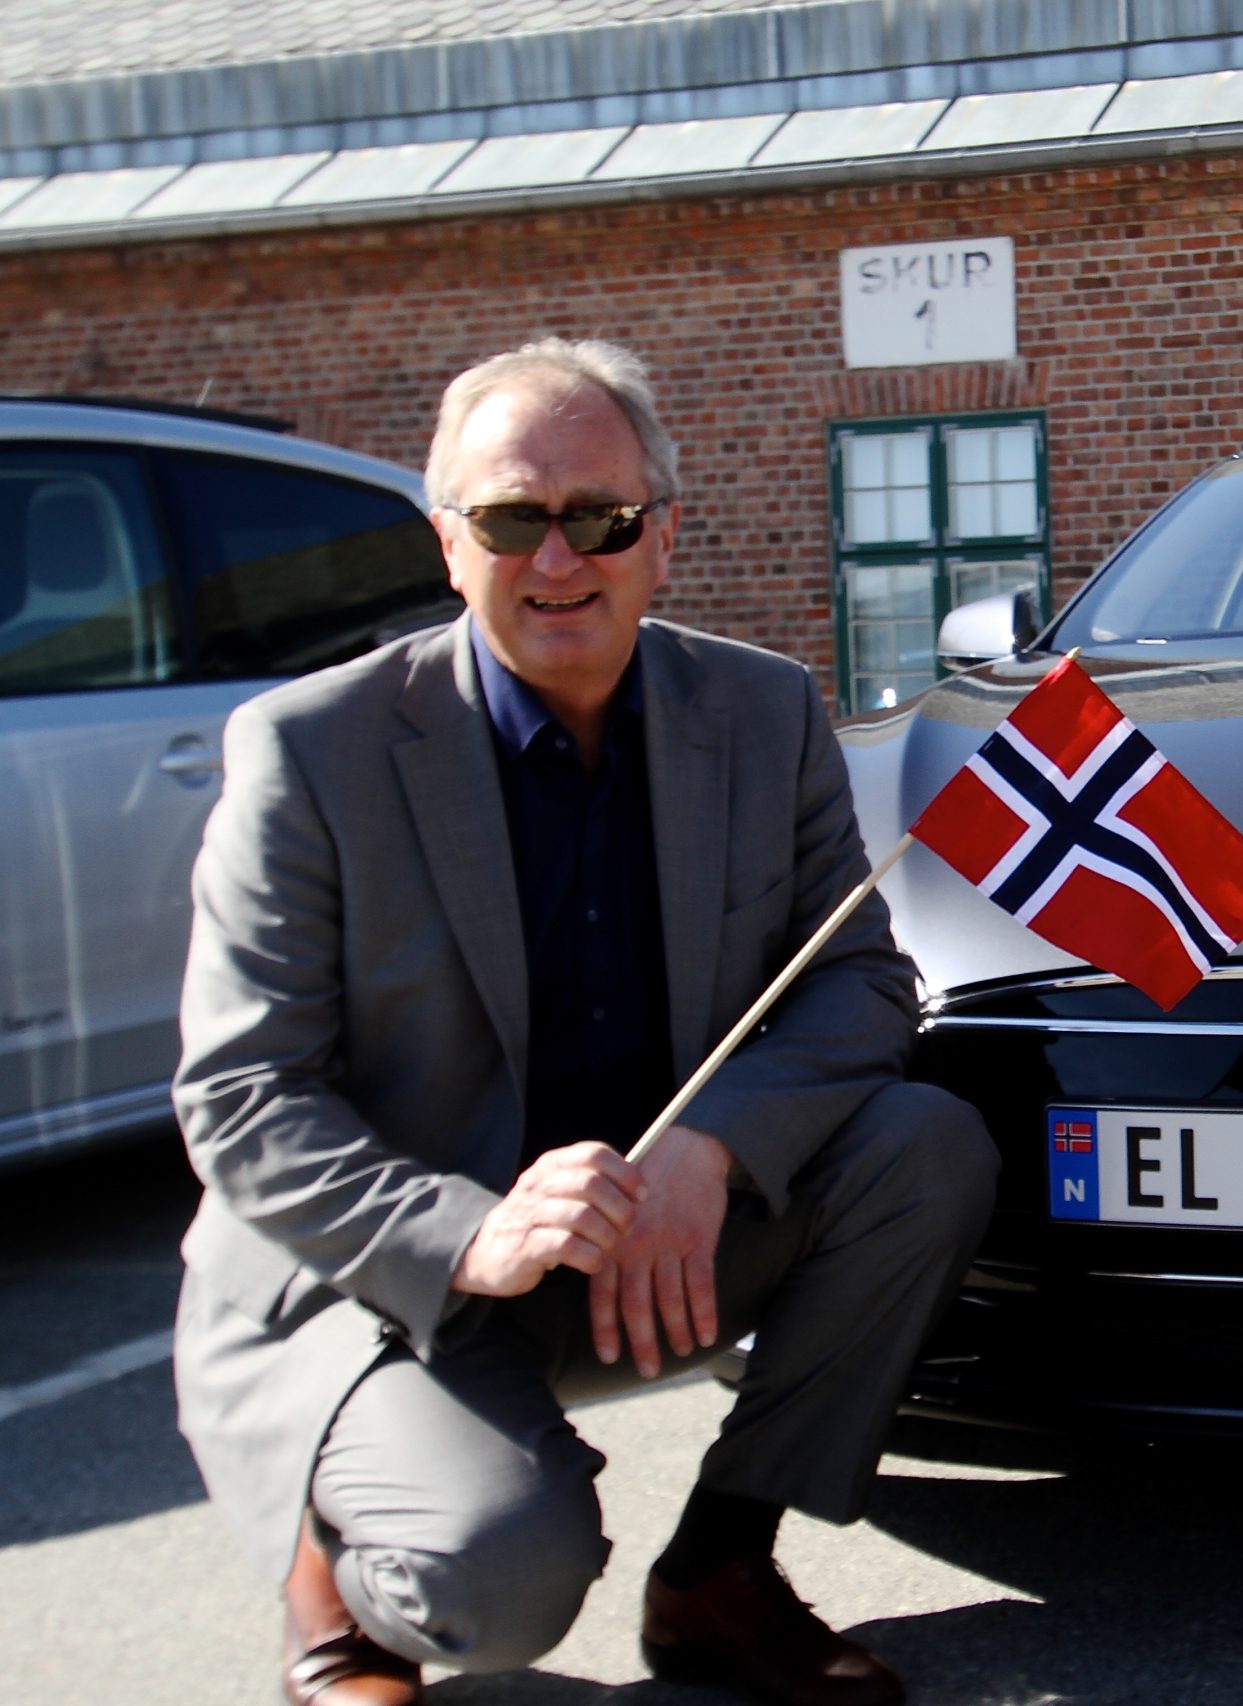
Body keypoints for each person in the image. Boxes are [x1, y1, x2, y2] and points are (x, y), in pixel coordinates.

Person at [172, 337, 997, 1706]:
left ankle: (719, 1571)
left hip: (652, 1234)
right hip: (402, 1276)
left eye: (601, 518)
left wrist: (715, 1149)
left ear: (661, 537)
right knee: (497, 1584)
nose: (560, 559)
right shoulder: (309, 749)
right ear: (450, 542)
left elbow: (859, 983)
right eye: (511, 518)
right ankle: (337, 1574)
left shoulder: (760, 707)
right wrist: (469, 1233)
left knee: (926, 1146)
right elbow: (244, 1095)